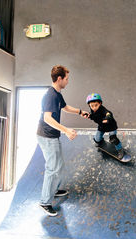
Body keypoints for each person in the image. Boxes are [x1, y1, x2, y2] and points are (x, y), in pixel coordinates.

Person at [36, 65, 88, 217]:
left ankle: (54, 189)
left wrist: (80, 112)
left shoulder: (57, 94)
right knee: (52, 168)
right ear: (59, 79)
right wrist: (66, 130)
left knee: (58, 166)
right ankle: (45, 202)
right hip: (46, 136)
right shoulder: (50, 95)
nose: (68, 81)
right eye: (66, 79)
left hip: (52, 135)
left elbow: (65, 108)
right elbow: (47, 118)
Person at [86, 93, 125, 159]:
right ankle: (100, 142)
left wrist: (107, 118)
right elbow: (94, 117)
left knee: (113, 139)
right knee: (97, 139)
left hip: (111, 127)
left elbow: (108, 113)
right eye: (92, 106)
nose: (94, 107)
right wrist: (89, 116)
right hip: (102, 127)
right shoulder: (92, 111)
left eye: (96, 105)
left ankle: (120, 150)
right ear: (89, 105)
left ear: (100, 103)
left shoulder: (102, 109)